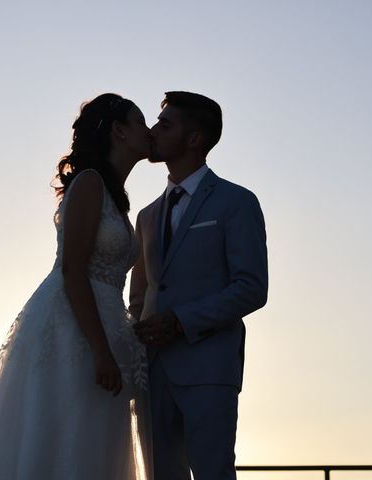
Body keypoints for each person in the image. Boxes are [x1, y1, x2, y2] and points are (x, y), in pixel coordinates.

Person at [0, 93, 153, 480]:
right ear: (119, 131)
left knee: (93, 448)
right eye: (141, 123)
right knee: (64, 440)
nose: (148, 133)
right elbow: (72, 271)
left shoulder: (117, 198)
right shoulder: (90, 184)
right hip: (74, 332)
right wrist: (99, 350)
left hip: (106, 329)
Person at [130, 91, 268, 480]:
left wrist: (180, 321)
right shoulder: (147, 216)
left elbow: (252, 287)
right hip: (153, 371)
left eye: (165, 124)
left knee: (213, 473)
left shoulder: (236, 202)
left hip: (209, 366)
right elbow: (138, 299)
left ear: (194, 139)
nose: (154, 131)